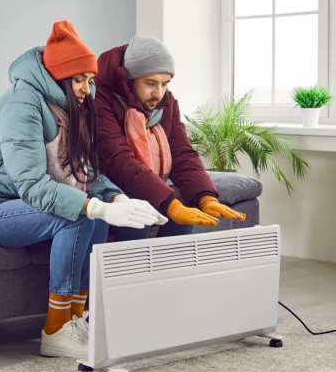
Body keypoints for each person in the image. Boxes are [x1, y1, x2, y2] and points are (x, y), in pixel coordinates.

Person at [0, 22, 166, 359]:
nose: (86, 90)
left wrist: (118, 199)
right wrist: (94, 206)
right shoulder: (22, 103)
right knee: (75, 217)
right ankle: (56, 330)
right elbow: (32, 185)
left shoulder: (72, 107)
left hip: (9, 200)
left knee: (94, 214)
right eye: (79, 80)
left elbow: (87, 173)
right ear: (58, 77)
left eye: (89, 81)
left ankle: (78, 320)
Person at [93, 35, 245, 242]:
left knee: (186, 200)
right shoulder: (100, 98)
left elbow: (182, 152)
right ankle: (130, 272)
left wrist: (205, 197)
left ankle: (171, 271)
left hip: (146, 179)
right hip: (109, 183)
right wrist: (170, 205)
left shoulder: (167, 102)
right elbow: (117, 159)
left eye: (165, 83)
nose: (159, 93)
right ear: (129, 79)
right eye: (150, 83)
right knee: (140, 208)